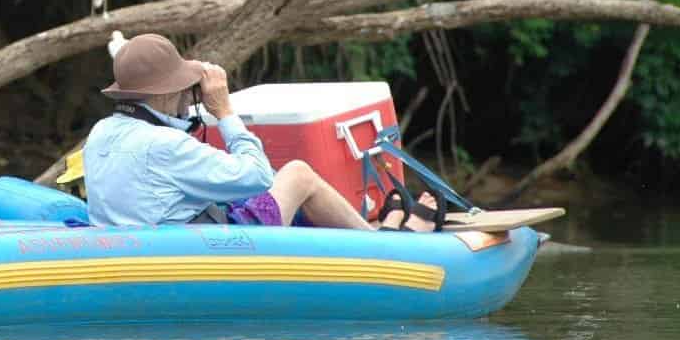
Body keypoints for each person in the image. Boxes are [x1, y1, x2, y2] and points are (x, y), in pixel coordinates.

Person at [84, 34, 435, 231]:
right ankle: (382, 245)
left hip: (141, 244)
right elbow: (256, 178)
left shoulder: (101, 132)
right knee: (297, 175)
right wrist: (224, 112)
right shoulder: (164, 144)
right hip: (206, 249)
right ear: (163, 92)